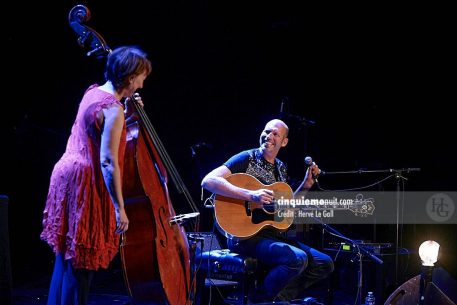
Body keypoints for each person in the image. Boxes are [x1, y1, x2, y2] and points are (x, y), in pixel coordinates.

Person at [40, 46, 152, 305]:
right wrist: (119, 208)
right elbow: (108, 161)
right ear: (131, 76)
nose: (142, 84)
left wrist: (127, 113)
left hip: (66, 176)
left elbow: (97, 129)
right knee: (81, 266)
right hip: (86, 184)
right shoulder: (113, 110)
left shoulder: (93, 92)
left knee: (65, 259)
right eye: (142, 77)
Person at [201, 118, 334, 303]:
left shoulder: (280, 168)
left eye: (275, 134)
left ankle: (278, 298)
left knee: (324, 263)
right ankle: (260, 300)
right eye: (266, 131)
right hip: (245, 237)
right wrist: (251, 195)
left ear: (284, 142)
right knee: (297, 258)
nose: (268, 136)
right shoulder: (246, 158)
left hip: (272, 236)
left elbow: (284, 209)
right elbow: (208, 181)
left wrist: (306, 185)